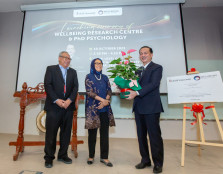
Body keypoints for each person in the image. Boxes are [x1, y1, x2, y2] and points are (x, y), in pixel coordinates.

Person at [126, 46, 164, 173]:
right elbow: (135, 86)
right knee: (141, 136)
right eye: (141, 53)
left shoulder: (157, 68)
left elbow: (153, 85)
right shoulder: (138, 70)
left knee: (154, 137)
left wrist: (136, 93)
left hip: (152, 108)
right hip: (138, 107)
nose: (143, 55)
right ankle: (145, 160)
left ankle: (158, 163)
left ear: (151, 54)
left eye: (145, 53)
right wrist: (125, 88)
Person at [44, 51, 79, 168]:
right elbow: (47, 85)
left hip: (68, 108)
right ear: (59, 58)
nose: (67, 60)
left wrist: (69, 100)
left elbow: (75, 88)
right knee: (51, 134)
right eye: (65, 58)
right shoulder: (51, 69)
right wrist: (57, 100)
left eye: (69, 59)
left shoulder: (73, 72)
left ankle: (63, 155)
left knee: (66, 133)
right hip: (54, 106)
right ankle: (49, 158)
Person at [85, 58, 115, 167]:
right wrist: (103, 101)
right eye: (96, 63)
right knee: (92, 134)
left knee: (104, 134)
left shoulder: (105, 77)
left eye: (100, 63)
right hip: (93, 109)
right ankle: (91, 156)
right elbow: (89, 92)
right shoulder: (89, 76)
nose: (99, 65)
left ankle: (104, 157)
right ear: (93, 65)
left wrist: (105, 101)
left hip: (104, 109)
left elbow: (109, 90)